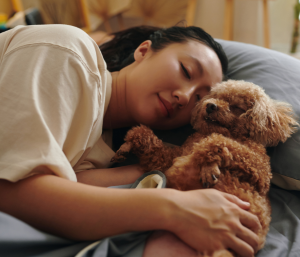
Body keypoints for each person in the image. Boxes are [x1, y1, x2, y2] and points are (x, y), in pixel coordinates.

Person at [0, 24, 261, 257]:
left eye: (198, 100)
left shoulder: (103, 149)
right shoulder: (67, 49)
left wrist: (184, 168)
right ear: (144, 50)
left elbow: (64, 193)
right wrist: (175, 209)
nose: (185, 96)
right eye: (186, 70)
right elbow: (10, 188)